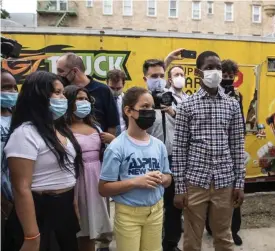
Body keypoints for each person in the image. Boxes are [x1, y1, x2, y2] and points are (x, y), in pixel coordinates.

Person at [172, 51, 245, 251]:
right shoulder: (187, 105)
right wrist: (180, 188)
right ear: (197, 73)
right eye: (209, 68)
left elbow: (237, 146)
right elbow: (179, 148)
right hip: (195, 182)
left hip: (224, 182)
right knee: (192, 240)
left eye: (218, 68)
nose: (215, 72)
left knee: (224, 237)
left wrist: (239, 183)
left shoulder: (232, 105)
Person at [4, 71, 84, 251]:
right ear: (39, 96)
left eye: (63, 92)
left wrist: (73, 207)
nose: (63, 98)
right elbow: (21, 188)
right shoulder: (25, 134)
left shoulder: (59, 129)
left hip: (64, 210)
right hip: (40, 211)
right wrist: (32, 235)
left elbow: (68, 173)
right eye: (57, 92)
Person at [98, 87, 172, 251]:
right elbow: (103, 188)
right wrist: (136, 182)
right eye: (144, 107)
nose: (150, 111)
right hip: (128, 215)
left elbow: (168, 178)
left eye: (152, 107)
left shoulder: (159, 145)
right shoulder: (116, 147)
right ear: (128, 111)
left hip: (156, 212)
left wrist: (162, 178)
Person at [64, 85, 113, 251]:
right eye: (79, 99)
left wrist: (112, 140)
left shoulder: (96, 127)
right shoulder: (62, 130)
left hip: (96, 179)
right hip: (77, 180)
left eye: (86, 99)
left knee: (92, 228)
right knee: (79, 226)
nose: (83, 102)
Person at [141, 59, 182, 251]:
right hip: (148, 160)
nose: (157, 80)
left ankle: (170, 244)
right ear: (145, 78)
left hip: (173, 159)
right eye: (153, 76)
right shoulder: (140, 102)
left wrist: (173, 112)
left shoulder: (175, 99)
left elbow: (188, 126)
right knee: (149, 205)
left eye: (160, 75)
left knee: (173, 206)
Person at [205, 59, 245, 246]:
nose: (227, 79)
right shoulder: (210, 94)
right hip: (212, 151)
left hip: (231, 151)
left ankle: (233, 230)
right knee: (209, 195)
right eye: (225, 76)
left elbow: (240, 125)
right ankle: (210, 228)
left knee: (232, 196)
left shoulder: (237, 97)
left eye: (231, 76)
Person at [56, 52, 120, 136]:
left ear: (74, 71)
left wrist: (106, 145)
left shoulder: (102, 90)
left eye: (61, 71)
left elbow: (112, 124)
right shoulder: (62, 91)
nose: (59, 75)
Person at [1, 69, 22, 251]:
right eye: (5, 87)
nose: (12, 92)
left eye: (14, 87)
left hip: (17, 194)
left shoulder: (18, 119)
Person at [107, 69, 127, 135]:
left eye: (118, 88)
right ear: (107, 83)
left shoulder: (128, 100)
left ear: (124, 84)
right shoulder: (103, 99)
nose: (115, 91)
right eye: (112, 88)